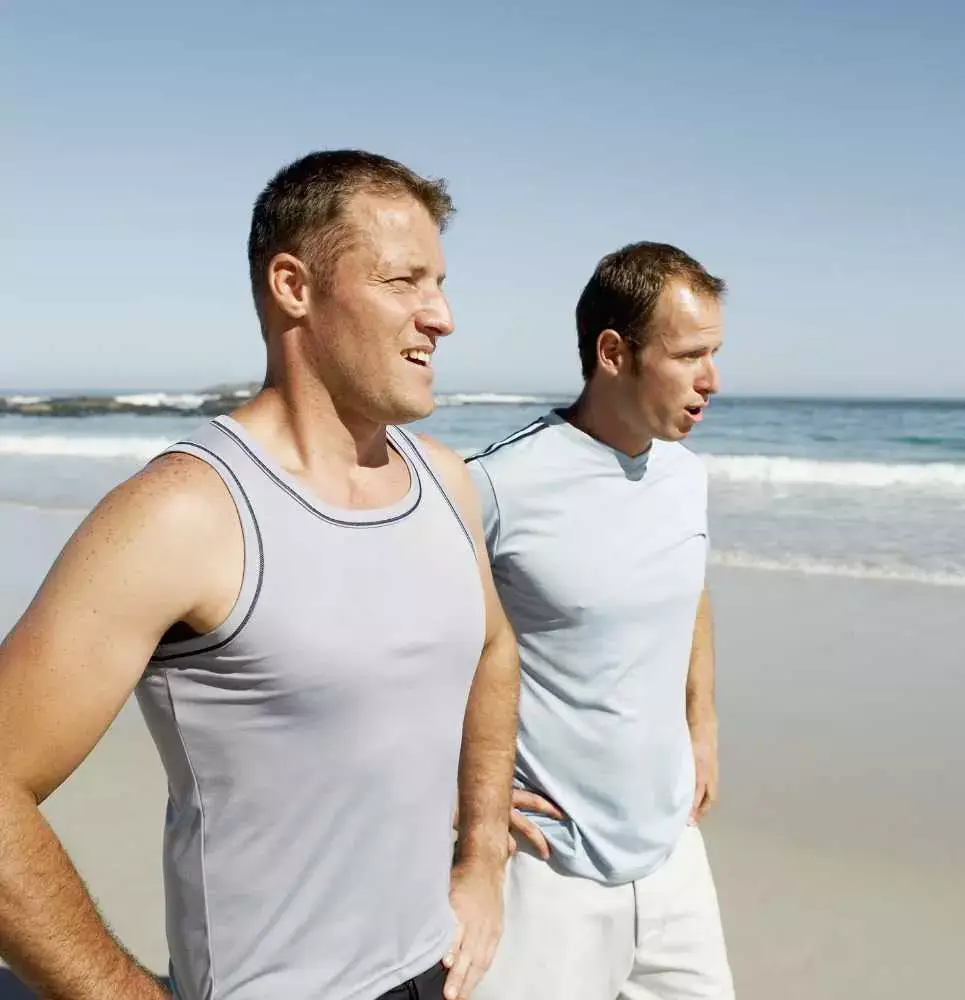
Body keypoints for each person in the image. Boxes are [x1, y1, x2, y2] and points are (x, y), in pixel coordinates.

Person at [0, 150, 519, 1000]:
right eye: (404, 281)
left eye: (442, 282)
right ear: (293, 287)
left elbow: (494, 649)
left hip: (440, 969)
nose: (444, 316)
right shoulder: (185, 515)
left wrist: (485, 857)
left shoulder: (445, 480)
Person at [465, 242, 735, 999]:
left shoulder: (686, 477)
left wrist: (702, 725)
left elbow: (691, 591)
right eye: (689, 355)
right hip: (549, 868)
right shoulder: (494, 486)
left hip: (674, 849)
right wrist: (458, 796)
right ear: (613, 352)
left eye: (714, 353)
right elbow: (403, 642)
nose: (712, 380)